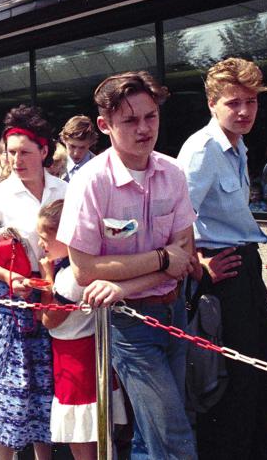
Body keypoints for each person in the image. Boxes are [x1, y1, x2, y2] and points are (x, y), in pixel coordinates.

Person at [59, 71, 197, 460]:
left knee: (152, 429)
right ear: (104, 125)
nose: (143, 129)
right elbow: (85, 270)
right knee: (172, 433)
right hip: (130, 324)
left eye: (150, 116)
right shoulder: (90, 182)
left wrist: (128, 282)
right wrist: (161, 260)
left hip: (174, 311)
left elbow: (184, 249)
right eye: (130, 120)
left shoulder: (173, 172)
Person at [176, 57, 267, 460]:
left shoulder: (237, 146)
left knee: (265, 370)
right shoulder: (202, 149)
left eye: (251, 101)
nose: (244, 111)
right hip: (221, 272)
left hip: (245, 264)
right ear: (212, 105)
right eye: (233, 103)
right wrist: (198, 265)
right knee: (234, 379)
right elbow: (176, 216)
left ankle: (259, 449)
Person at [0, 105, 67, 460]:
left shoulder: (66, 190)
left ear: (44, 152)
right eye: (11, 152)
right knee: (5, 400)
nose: (16, 160)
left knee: (44, 395)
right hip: (7, 310)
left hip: (52, 302)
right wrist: (8, 276)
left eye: (25, 152)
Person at [36, 199, 132, 460]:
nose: (41, 244)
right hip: (87, 353)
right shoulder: (82, 265)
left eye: (45, 236)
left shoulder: (70, 277)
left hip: (75, 360)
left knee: (80, 434)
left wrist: (47, 278)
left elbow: (50, 319)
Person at [59, 115, 98, 181]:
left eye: (82, 147)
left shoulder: (101, 167)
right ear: (64, 140)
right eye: (72, 146)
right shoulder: (53, 164)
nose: (76, 153)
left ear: (90, 143)